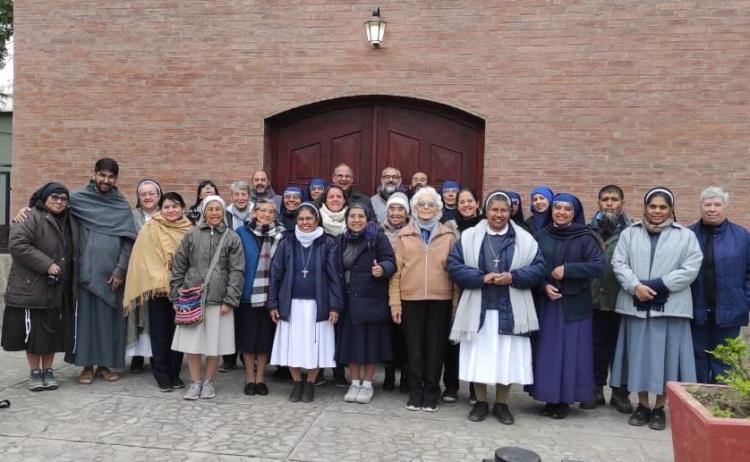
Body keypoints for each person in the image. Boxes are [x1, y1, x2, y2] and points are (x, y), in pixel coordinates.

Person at [448, 191, 546, 424]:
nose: (499, 215)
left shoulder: (524, 238)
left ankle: (502, 404)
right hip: (479, 308)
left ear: (510, 212)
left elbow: (539, 267)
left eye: (503, 210)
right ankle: (481, 403)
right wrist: (482, 278)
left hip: (510, 309)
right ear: (486, 211)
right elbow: (453, 265)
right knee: (479, 357)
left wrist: (514, 276)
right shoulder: (470, 236)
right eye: (494, 210)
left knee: (506, 358)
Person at [611, 187, 702, 430]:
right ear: (645, 208)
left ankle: (660, 408)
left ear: (671, 209)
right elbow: (618, 263)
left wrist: (660, 285)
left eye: (663, 207)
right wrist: (635, 286)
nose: (658, 211)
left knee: (667, 360)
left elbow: (691, 267)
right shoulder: (630, 234)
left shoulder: (686, 236)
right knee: (639, 357)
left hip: (670, 307)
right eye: (653, 206)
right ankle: (642, 405)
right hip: (636, 305)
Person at [531, 193, 604, 419]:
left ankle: (564, 400)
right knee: (548, 352)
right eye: (557, 208)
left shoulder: (586, 237)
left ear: (575, 212)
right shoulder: (541, 236)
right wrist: (543, 285)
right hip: (547, 303)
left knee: (570, 353)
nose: (561, 212)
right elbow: (531, 264)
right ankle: (548, 396)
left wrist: (568, 270)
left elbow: (598, 266)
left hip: (575, 305)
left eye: (567, 209)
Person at [2, 183, 78, 391]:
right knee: (33, 333)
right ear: (44, 197)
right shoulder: (29, 217)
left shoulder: (67, 220)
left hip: (56, 288)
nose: (59, 202)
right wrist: (47, 264)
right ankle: (35, 372)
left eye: (63, 199)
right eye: (54, 197)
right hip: (33, 287)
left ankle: (49, 370)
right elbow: (17, 245)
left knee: (51, 331)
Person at [389, 186, 458, 412]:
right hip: (411, 299)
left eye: (430, 205)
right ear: (414, 208)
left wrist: (456, 305)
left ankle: (431, 393)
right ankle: (415, 392)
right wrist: (395, 303)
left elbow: (455, 272)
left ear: (437, 209)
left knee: (435, 348)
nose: (426, 208)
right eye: (421, 204)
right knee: (414, 348)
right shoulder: (404, 235)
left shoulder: (448, 235)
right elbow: (396, 273)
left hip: (441, 300)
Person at [170, 195, 245, 400]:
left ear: (223, 212)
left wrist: (230, 299)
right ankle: (195, 382)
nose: (214, 213)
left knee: (215, 345)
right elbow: (179, 266)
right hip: (192, 299)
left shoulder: (231, 237)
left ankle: (209, 381)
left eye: (218, 209)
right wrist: (176, 296)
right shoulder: (191, 235)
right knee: (192, 345)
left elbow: (237, 270)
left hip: (219, 301)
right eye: (210, 209)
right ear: (204, 211)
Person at [268, 203, 343, 403]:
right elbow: (276, 274)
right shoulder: (287, 242)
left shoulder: (327, 243)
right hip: (291, 305)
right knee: (292, 346)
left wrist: (335, 306)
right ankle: (297, 383)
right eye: (301, 219)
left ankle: (309, 384)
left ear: (316, 220)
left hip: (318, 306)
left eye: (309, 219)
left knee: (314, 347)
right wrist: (273, 304)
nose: (305, 223)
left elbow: (335, 276)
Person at [72, 159, 138, 384]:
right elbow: (49, 204)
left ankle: (104, 365)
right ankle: (86, 367)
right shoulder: (78, 199)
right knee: (87, 322)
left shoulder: (121, 205)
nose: (106, 180)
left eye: (111, 177)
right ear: (94, 174)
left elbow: (128, 241)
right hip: (87, 271)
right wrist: (25, 209)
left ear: (116, 179)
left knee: (109, 322)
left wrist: (120, 270)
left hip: (113, 276)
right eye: (102, 175)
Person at [123, 192, 192, 392]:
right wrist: (165, 278)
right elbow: (145, 259)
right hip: (159, 291)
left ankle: (175, 373)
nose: (171, 210)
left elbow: (193, 258)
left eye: (175, 206)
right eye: (167, 207)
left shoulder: (189, 229)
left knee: (178, 334)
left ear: (182, 208)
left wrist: (182, 280)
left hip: (183, 291)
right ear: (161, 209)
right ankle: (162, 375)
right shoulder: (151, 227)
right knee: (160, 335)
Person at [336, 203, 396, 404]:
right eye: (352, 216)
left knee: (370, 345)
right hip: (349, 300)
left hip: (372, 299)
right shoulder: (341, 240)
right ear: (346, 219)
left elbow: (390, 261)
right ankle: (354, 382)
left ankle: (368, 384)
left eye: (360, 216)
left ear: (367, 218)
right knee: (352, 345)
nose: (356, 220)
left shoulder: (377, 238)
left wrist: (383, 269)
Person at [689, 186, 750, 384]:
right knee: (697, 360)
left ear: (726, 207)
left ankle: (721, 407)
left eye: (717, 204)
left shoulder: (742, 236)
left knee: (724, 362)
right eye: (707, 204)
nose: (712, 209)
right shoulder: (687, 235)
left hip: (730, 311)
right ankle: (697, 409)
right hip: (695, 311)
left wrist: (744, 299)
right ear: (700, 207)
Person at [581, 185, 633, 413]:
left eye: (614, 199)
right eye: (605, 199)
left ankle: (621, 393)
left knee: (622, 349)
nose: (609, 203)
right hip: (593, 297)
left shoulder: (632, 230)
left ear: (622, 202)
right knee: (596, 346)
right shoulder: (586, 230)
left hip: (621, 298)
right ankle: (596, 389)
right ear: (598, 203)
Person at [235, 199, 285, 396]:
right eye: (262, 210)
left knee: (264, 339)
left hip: (270, 296)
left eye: (271, 211)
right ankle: (249, 378)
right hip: (247, 295)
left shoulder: (281, 235)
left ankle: (261, 378)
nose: (267, 214)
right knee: (248, 340)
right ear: (254, 213)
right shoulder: (241, 233)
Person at [441, 187, 484, 404]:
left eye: (470, 201)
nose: (466, 205)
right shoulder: (449, 227)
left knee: (477, 339)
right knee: (453, 339)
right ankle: (451, 385)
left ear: (477, 203)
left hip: (482, 287)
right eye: (461, 202)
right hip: (456, 288)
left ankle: (477, 389)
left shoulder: (487, 225)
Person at [127, 178, 163, 373]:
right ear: (138, 198)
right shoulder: (131, 216)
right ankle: (138, 356)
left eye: (151, 193)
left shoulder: (167, 216)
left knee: (156, 318)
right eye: (143, 194)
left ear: (159, 196)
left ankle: (157, 355)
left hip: (159, 277)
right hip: (138, 274)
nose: (148, 197)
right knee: (137, 314)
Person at [381, 192, 411, 393]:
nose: (396, 213)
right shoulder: (378, 231)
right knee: (388, 334)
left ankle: (407, 375)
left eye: (400, 209)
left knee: (406, 334)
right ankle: (389, 373)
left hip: (407, 288)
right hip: (383, 289)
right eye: (392, 208)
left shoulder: (413, 231)